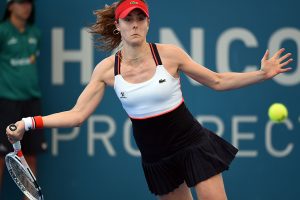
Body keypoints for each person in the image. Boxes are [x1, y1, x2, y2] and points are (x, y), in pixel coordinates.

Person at [6, 0, 293, 199]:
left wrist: (261, 74)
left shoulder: (169, 55)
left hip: (193, 146)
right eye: (127, 19)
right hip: (157, 159)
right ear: (117, 25)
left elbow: (217, 81)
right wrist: (28, 122)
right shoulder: (107, 69)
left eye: (139, 18)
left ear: (147, 23)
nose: (134, 24)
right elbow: (77, 115)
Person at [0, 0, 47, 198]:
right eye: (21, 2)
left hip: (31, 100)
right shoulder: (2, 31)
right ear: (10, 6)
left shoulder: (35, 33)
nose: (26, 6)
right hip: (7, 101)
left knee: (30, 158)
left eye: (29, 2)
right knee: (1, 157)